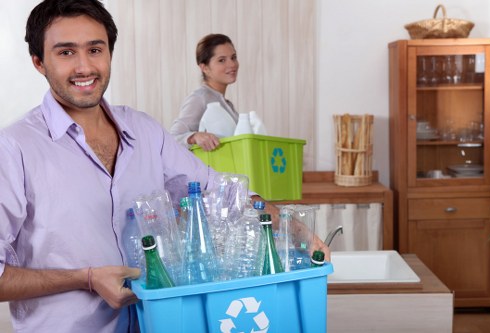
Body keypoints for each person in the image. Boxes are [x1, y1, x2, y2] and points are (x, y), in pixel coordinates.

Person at [0, 1, 330, 332]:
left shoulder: (145, 131)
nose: (85, 66)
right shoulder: (14, 148)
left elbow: (221, 192)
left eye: (95, 49)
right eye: (66, 53)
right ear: (39, 62)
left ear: (109, 54)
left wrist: (298, 232)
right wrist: (85, 279)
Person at [170, 34, 239, 151]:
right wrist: (194, 137)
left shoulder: (228, 105)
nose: (232, 64)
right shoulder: (200, 98)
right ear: (204, 68)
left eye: (233, 57)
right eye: (221, 60)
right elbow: (172, 138)